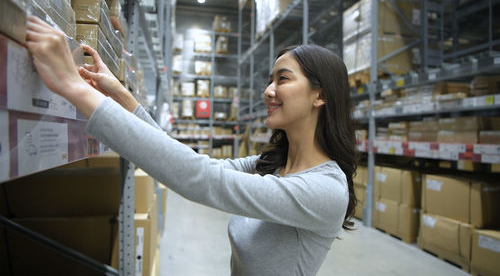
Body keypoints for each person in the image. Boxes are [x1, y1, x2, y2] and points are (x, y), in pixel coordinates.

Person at [25, 15, 357, 276]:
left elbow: (202, 179)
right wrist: (119, 94)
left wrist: (72, 87)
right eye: (269, 80)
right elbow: (183, 158)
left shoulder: (324, 189)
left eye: (282, 79)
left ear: (321, 94)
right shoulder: (273, 166)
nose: (268, 90)